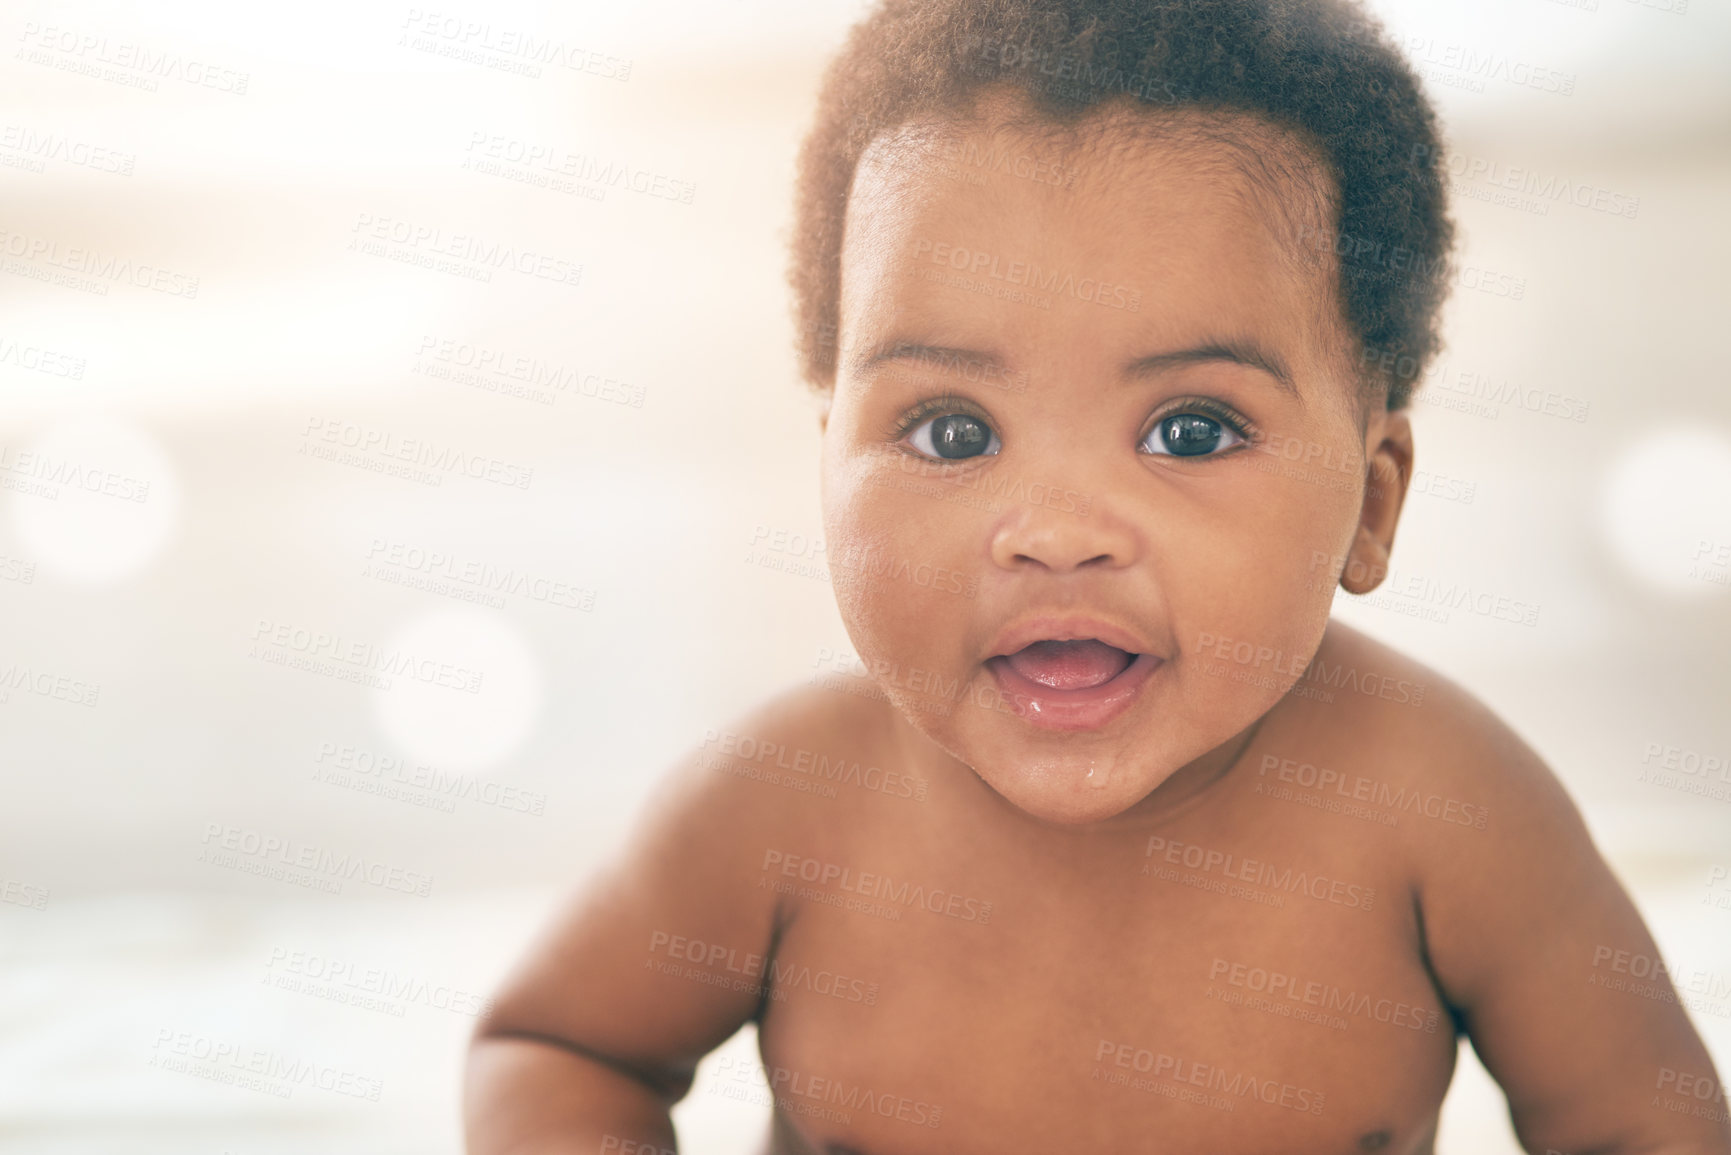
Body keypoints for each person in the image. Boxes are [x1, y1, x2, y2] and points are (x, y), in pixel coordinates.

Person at [464, 0, 1731, 1150]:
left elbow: (1645, 1125)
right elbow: (558, 1051)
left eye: (1190, 429)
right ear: (829, 462)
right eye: (952, 431)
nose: (1057, 532)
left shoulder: (1450, 820)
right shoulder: (780, 811)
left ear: (1371, 501)